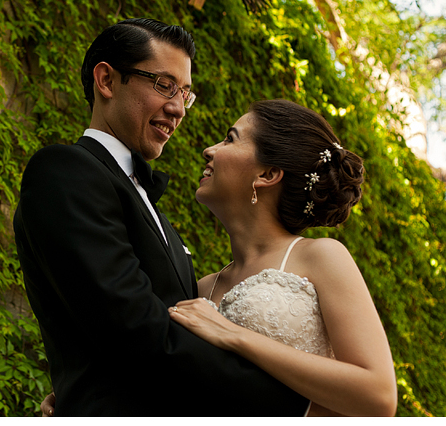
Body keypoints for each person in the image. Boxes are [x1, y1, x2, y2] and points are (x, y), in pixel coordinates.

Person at [14, 18, 309, 416]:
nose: (177, 108)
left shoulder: (157, 215)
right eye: (164, 85)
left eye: (185, 94)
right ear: (107, 81)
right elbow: (134, 329)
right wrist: (294, 405)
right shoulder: (65, 171)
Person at [165, 99, 397, 416]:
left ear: (268, 173)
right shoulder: (201, 287)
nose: (209, 150)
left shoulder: (321, 256)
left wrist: (231, 334)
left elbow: (379, 396)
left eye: (230, 138)